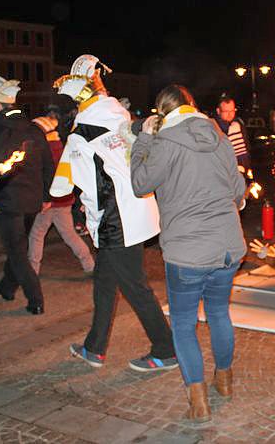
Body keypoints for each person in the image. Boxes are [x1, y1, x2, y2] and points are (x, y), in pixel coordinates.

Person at [51, 54, 176, 372]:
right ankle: (94, 348)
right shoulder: (117, 113)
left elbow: (64, 186)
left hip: (115, 218)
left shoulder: (83, 131)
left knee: (135, 286)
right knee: (105, 282)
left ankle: (167, 348)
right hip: (135, 209)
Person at [131, 84, 246, 423]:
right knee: (219, 313)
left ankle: (198, 400)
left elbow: (140, 183)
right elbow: (238, 189)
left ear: (162, 113)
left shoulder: (164, 142)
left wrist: (144, 140)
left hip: (186, 252)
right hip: (227, 248)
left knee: (183, 325)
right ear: (192, 105)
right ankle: (223, 381)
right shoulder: (219, 137)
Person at [0, 75, 54, 315]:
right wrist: (47, 195)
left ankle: (35, 299)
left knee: (17, 251)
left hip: (6, 202)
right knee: (17, 246)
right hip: (31, 201)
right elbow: (48, 164)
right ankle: (7, 287)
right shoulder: (33, 129)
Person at [27, 116, 95, 276]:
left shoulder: (43, 151)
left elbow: (43, 177)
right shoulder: (62, 148)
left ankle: (32, 271)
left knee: (36, 235)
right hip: (63, 199)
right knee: (70, 235)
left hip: (49, 201)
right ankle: (89, 265)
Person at [214, 95, 251, 173]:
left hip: (243, 166)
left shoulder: (239, 123)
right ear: (218, 111)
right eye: (226, 111)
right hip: (226, 169)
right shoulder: (214, 127)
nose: (230, 114)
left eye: (232, 111)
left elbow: (245, 145)